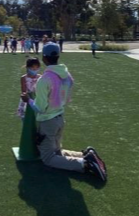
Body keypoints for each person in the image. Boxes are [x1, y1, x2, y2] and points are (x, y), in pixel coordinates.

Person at [28, 43, 106, 180]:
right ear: (58, 56)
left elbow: (40, 107)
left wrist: (28, 100)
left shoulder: (44, 79)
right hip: (60, 117)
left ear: (44, 58)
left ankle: (85, 163)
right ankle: (85, 155)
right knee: (57, 151)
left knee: (48, 158)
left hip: (48, 121)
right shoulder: (66, 75)